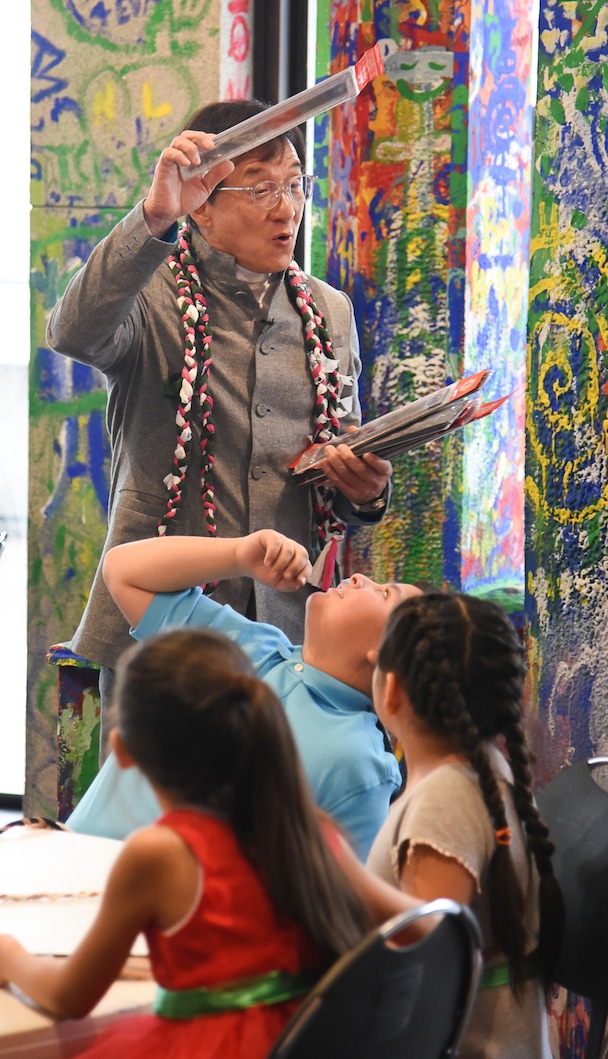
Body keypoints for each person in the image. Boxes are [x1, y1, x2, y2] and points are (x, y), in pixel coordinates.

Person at [46, 99, 392, 755]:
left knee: (258, 840)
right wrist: (154, 216)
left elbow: (338, 465)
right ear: (202, 203)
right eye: (261, 189)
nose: (285, 208)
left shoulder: (329, 312)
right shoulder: (150, 295)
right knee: (147, 836)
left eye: (294, 185)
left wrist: (365, 488)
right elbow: (72, 330)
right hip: (157, 637)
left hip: (284, 642)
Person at [0, 627, 419, 1058]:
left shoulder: (158, 855)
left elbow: (70, 998)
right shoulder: (308, 827)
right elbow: (428, 925)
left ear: (122, 750)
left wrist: (10, 955)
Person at [67, 530, 421, 860]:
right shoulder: (253, 644)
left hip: (167, 918)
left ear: (388, 653)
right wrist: (238, 555)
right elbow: (122, 570)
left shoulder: (359, 762)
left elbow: (337, 908)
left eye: (385, 594)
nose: (360, 578)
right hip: (69, 866)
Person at [365, 591, 563, 1059]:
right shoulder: (483, 769)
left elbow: (428, 973)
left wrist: (331, 864)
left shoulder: (445, 802)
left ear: (391, 689)